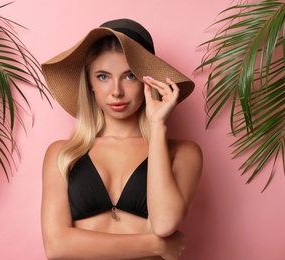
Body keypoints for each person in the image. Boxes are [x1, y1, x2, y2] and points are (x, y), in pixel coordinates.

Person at [40, 18, 202, 259]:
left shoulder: (183, 153)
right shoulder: (64, 154)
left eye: (130, 76)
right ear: (90, 84)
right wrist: (156, 246)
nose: (116, 90)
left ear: (149, 81)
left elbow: (165, 224)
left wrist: (157, 126)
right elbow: (56, 246)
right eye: (103, 77)